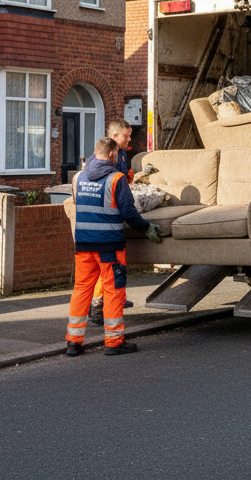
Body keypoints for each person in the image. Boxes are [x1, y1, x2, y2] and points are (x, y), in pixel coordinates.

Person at [66, 137, 161, 357]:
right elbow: (129, 213)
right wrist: (147, 228)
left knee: (82, 290)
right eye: (118, 154)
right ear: (111, 155)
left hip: (83, 244)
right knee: (113, 291)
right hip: (109, 246)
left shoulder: (78, 178)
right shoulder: (116, 179)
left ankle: (73, 342)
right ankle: (114, 341)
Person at [90, 119, 137, 325]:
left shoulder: (122, 154)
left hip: (102, 225)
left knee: (109, 270)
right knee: (109, 268)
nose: (129, 139)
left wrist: (128, 177)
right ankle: (99, 306)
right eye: (126, 135)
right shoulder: (107, 158)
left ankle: (112, 301)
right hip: (108, 225)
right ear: (115, 137)